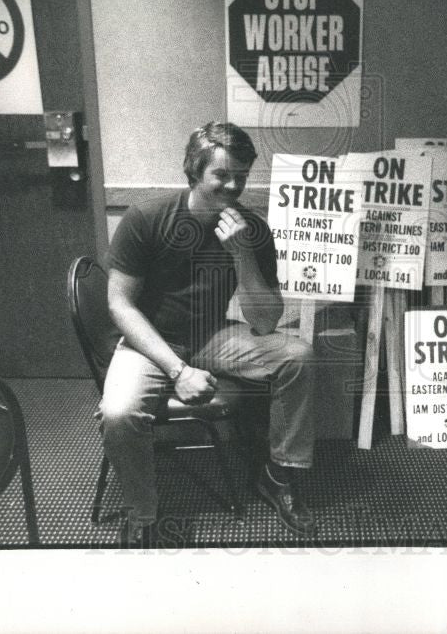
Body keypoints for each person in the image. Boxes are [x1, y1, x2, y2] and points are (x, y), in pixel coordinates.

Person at [100, 121, 318, 545]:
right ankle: (143, 513)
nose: (233, 185)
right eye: (222, 174)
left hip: (211, 336)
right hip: (150, 343)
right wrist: (177, 370)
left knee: (298, 356)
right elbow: (119, 305)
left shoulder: (250, 229)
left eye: (241, 175)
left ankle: (277, 476)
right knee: (119, 414)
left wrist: (242, 255)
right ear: (194, 172)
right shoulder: (146, 218)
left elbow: (266, 321)